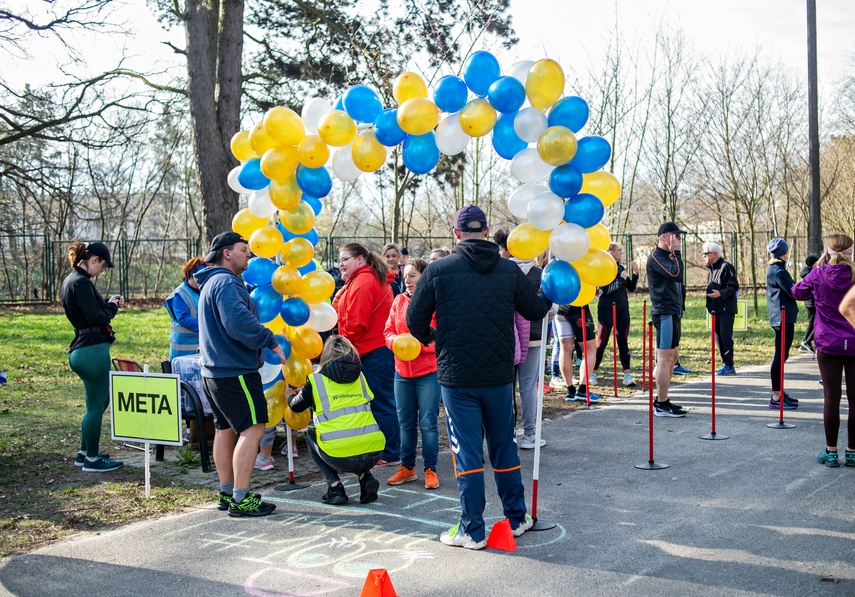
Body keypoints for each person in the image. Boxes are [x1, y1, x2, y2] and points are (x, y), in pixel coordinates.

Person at [407, 205, 552, 550]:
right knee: (504, 445)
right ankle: (516, 517)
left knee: (467, 451)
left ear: (456, 234)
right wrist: (551, 287)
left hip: (458, 378)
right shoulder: (508, 270)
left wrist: (436, 339)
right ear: (486, 232)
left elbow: (414, 321)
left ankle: (473, 529)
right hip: (499, 375)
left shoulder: (438, 270)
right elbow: (535, 310)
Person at [196, 232, 285, 517]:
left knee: (225, 429)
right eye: (244, 249)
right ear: (226, 253)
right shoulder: (226, 283)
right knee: (254, 426)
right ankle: (241, 498)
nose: (249, 254)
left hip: (215, 371)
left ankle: (228, 492)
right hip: (234, 371)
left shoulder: (212, 282)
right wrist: (268, 338)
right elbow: (238, 323)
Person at [287, 335, 385, 504]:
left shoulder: (316, 381)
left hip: (340, 455)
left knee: (311, 434)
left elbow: (296, 407)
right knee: (357, 432)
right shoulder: (360, 376)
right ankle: (365, 476)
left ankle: (335, 487)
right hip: (374, 451)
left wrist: (289, 395)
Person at [333, 242, 401, 467]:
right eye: (339, 260)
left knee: (381, 402)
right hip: (368, 350)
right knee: (378, 402)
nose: (341, 264)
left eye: (345, 259)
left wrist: (341, 345)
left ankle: (391, 452)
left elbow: (356, 323)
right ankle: (384, 449)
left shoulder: (363, 281)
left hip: (373, 350)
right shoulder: (358, 279)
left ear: (360, 259)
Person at [791, 234, 855, 467]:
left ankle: (831, 452)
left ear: (827, 251)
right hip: (854, 342)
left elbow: (797, 291)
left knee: (831, 397)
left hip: (828, 343)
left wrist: (818, 266)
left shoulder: (818, 274)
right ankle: (852, 452)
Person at [61, 241, 125, 472]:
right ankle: (92, 459)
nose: (102, 270)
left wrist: (107, 304)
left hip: (82, 349)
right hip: (92, 351)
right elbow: (96, 317)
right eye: (104, 265)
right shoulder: (81, 282)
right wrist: (112, 308)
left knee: (97, 403)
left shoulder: (71, 280)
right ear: (94, 259)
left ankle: (84, 452)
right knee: (96, 406)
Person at [383, 258, 441, 488]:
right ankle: (407, 467)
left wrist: (418, 346)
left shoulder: (434, 302)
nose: (407, 280)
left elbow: (440, 335)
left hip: (428, 372)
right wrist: (396, 342)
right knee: (405, 423)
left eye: (413, 275)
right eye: (405, 275)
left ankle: (430, 469)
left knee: (427, 423)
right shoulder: (397, 301)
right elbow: (387, 331)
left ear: (424, 277)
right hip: (402, 373)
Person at [494, 229, 546, 448]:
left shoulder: (501, 272)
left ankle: (509, 434)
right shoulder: (539, 273)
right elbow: (549, 308)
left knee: (507, 387)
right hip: (534, 336)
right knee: (527, 386)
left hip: (506, 336)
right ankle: (530, 434)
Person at [646, 222, 688, 417]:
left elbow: (679, 283)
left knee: (673, 357)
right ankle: (661, 403)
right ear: (664, 237)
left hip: (674, 311)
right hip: (664, 312)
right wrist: (677, 253)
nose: (678, 239)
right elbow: (677, 275)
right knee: (664, 359)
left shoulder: (669, 257)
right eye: (675, 235)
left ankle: (664, 399)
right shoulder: (656, 257)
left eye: (679, 236)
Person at [592, 243, 638, 387]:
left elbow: (630, 287)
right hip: (606, 308)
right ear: (611, 253)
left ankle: (627, 375)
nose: (621, 253)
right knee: (602, 341)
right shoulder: (605, 268)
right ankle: (592, 373)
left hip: (622, 308)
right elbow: (604, 290)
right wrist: (619, 280)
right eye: (619, 250)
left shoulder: (621, 268)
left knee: (623, 340)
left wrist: (635, 273)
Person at [765, 237, 799, 410]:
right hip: (782, 317)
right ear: (784, 253)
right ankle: (776, 395)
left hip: (782, 316)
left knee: (782, 356)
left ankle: (780, 391)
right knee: (780, 356)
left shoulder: (777, 269)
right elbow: (794, 291)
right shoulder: (778, 271)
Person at [703, 242, 740, 376]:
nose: (704, 256)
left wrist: (721, 293)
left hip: (726, 309)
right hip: (715, 309)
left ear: (715, 254)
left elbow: (734, 286)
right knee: (717, 337)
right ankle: (725, 363)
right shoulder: (711, 269)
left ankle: (730, 365)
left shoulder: (726, 267)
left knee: (726, 336)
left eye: (706, 253)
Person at [555, 303, 600, 403]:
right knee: (590, 350)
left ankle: (570, 391)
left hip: (560, 309)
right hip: (579, 308)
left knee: (565, 350)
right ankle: (582, 390)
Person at [164, 257, 206, 360]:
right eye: (197, 277)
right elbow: (184, 319)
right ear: (189, 276)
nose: (200, 280)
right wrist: (208, 327)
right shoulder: (179, 295)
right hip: (182, 355)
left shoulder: (203, 291)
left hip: (200, 351)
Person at [798, 254, 820, 353]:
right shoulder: (813, 273)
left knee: (812, 323)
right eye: (817, 262)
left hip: (809, 302)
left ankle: (806, 342)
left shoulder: (806, 272)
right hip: (813, 302)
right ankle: (806, 341)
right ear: (813, 263)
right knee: (816, 323)